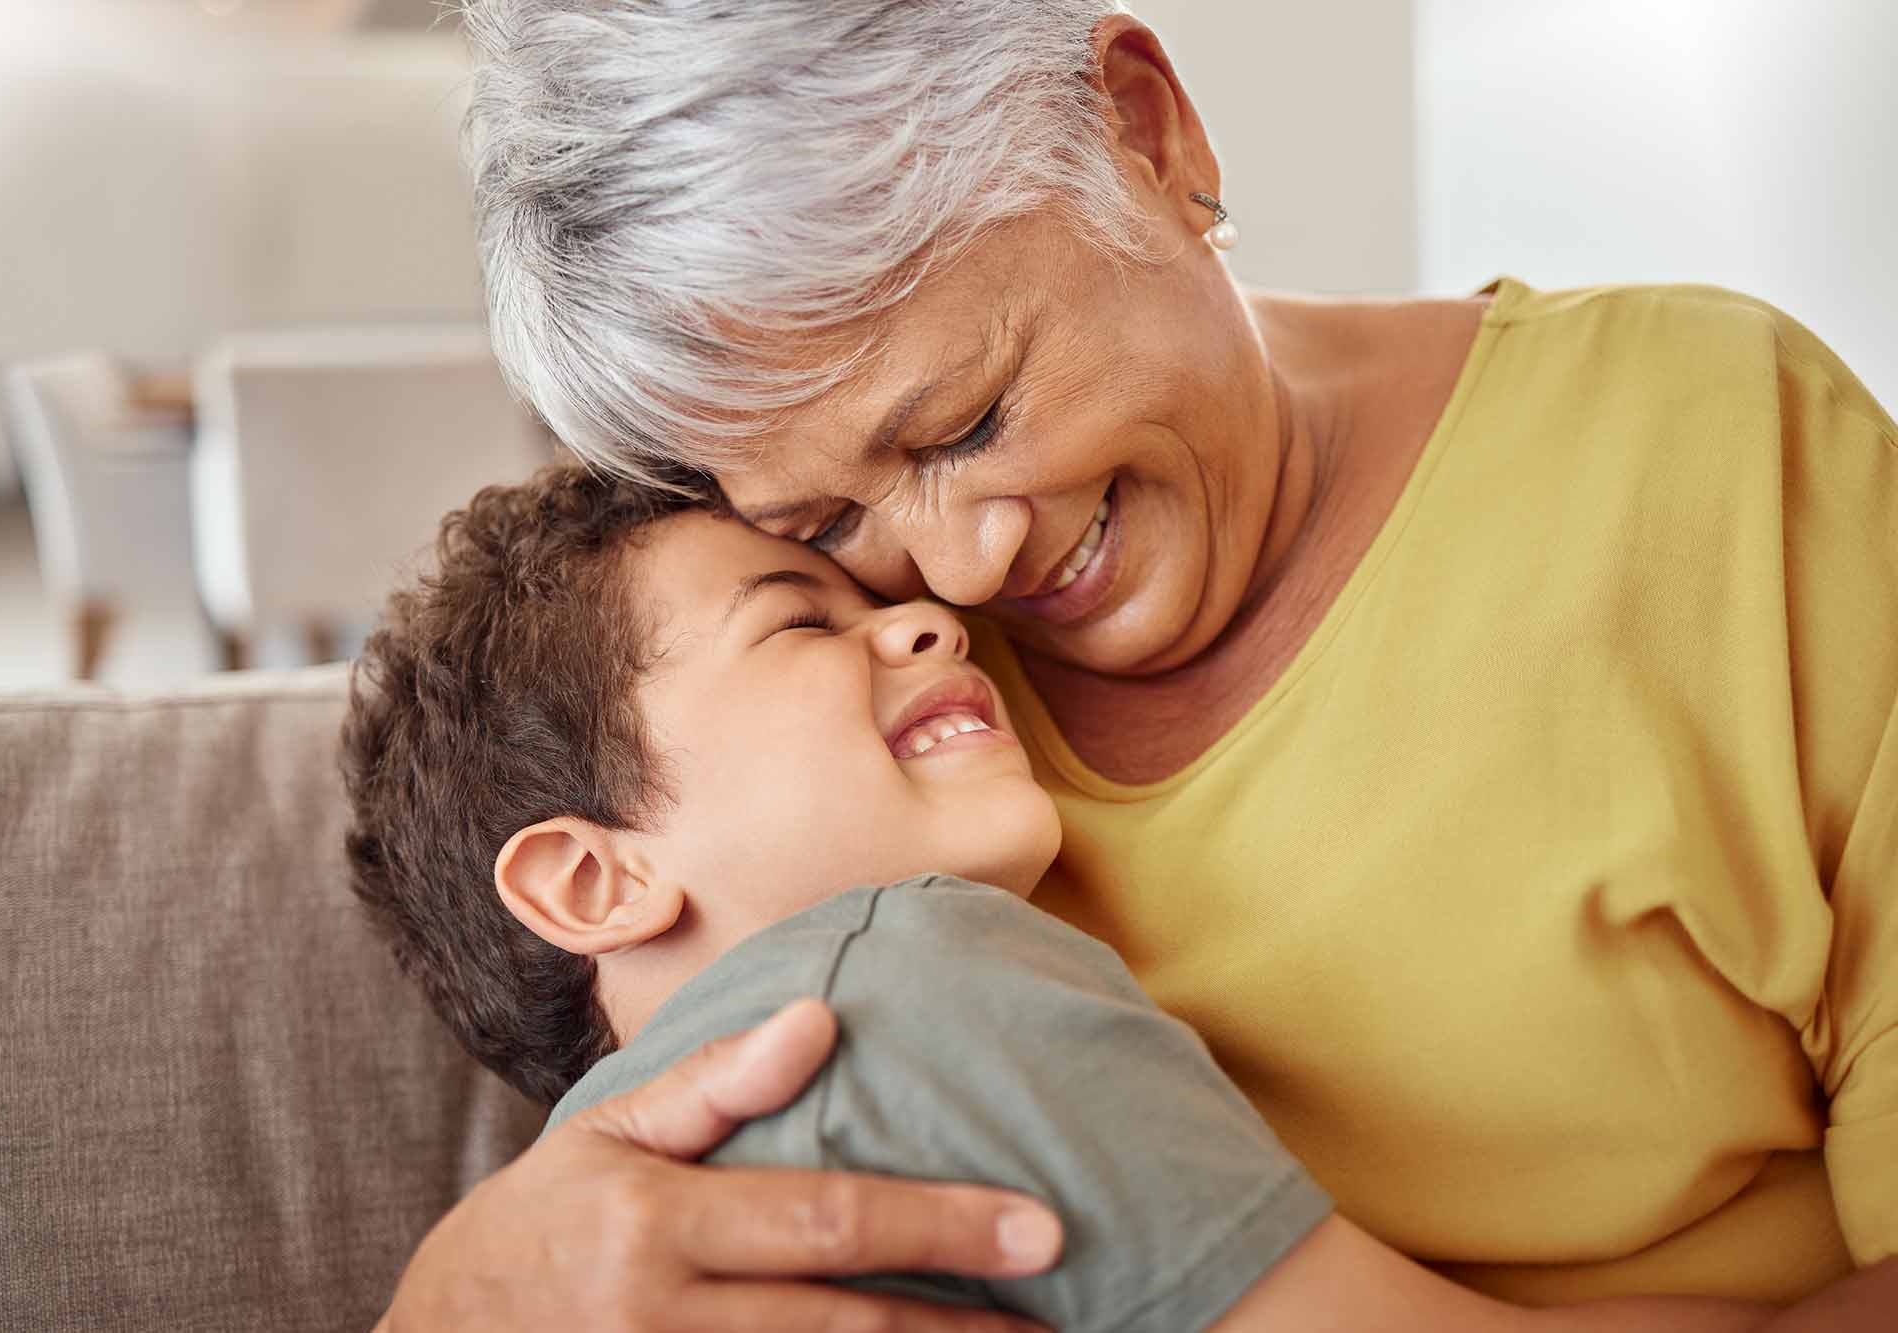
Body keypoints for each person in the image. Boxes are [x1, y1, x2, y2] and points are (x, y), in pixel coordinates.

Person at [385, 1, 1898, 1326]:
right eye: (826, 524)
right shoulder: (845, 771)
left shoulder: (1715, 450)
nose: (958, 575)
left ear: (1144, 129)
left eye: (970, 420)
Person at [342, 465, 1888, 1332]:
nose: (936, 622)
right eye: (800, 622)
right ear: (593, 875)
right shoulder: (913, 983)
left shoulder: (553, 1231)